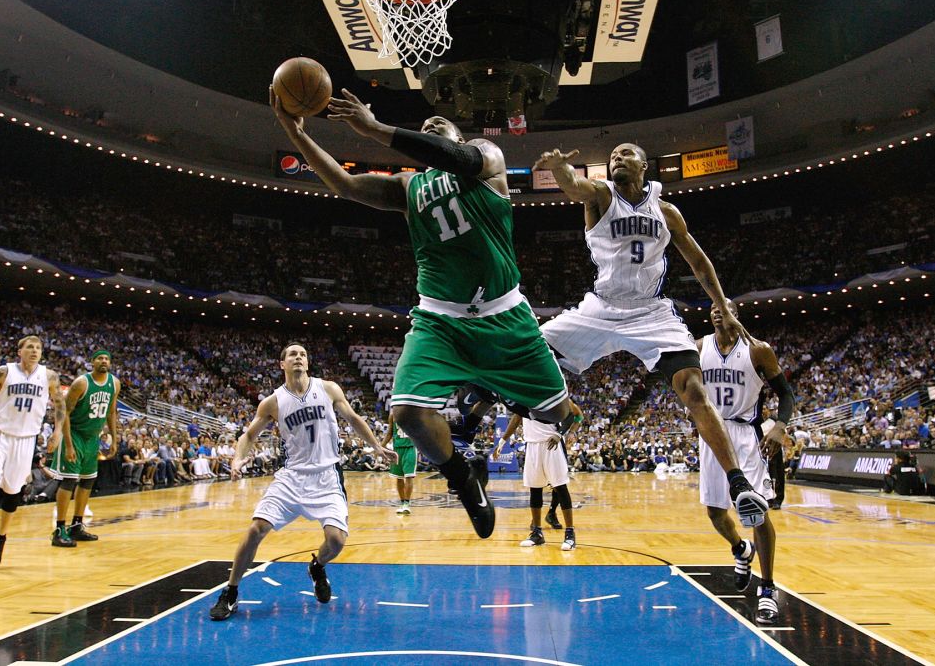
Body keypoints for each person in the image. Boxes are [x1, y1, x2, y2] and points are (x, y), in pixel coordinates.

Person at [271, 89, 576, 539]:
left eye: (440, 125)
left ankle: (506, 393)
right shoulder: (409, 186)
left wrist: (374, 128)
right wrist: (295, 133)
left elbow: (449, 153)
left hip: (504, 314)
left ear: (457, 137)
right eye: (425, 125)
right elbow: (345, 184)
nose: (432, 125)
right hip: (439, 318)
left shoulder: (486, 157)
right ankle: (462, 478)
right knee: (408, 412)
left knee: (561, 414)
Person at [533, 144, 769, 528]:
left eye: (626, 154)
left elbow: (698, 260)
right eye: (611, 156)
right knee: (531, 344)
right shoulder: (602, 196)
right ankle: (510, 416)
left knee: (694, 389)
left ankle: (739, 484)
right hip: (602, 307)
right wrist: (561, 170)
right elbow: (576, 187)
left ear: (645, 165)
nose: (616, 159)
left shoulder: (665, 211)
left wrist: (723, 304)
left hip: (651, 311)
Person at [209, 343, 396, 620]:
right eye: (293, 354)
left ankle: (317, 566)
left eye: (303, 354)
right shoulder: (272, 401)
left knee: (336, 541)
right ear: (282, 364)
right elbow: (248, 436)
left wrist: (377, 446)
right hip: (292, 477)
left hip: (327, 475)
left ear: (308, 363)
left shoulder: (328, 388)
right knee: (255, 530)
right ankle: (231, 592)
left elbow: (354, 419)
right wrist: (237, 459)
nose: (299, 357)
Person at [696, 300, 794, 625]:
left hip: (744, 434)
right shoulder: (699, 347)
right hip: (711, 434)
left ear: (736, 316)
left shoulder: (758, 350)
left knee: (757, 512)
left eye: (723, 306)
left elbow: (787, 394)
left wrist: (780, 426)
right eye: (711, 306)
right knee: (715, 513)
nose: (715, 309)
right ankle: (740, 549)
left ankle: (767, 588)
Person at [0, 335, 66, 570]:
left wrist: (57, 432)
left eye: (38, 347)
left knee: (12, 493)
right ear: (19, 351)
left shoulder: (49, 376)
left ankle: (0, 538)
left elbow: (60, 404)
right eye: (30, 346)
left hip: (26, 439)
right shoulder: (4, 372)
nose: (35, 350)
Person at [49, 349, 120, 548]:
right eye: (100, 358)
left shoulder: (114, 383)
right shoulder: (81, 383)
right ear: (92, 362)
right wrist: (69, 444)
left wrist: (114, 439)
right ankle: (59, 529)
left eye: (107, 358)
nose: (104, 361)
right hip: (75, 435)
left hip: (93, 438)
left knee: (88, 482)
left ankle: (77, 525)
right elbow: (65, 413)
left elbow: (112, 412)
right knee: (69, 481)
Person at [494, 399, 584, 550]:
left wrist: (561, 433)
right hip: (532, 445)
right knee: (534, 489)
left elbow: (574, 415)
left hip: (552, 444)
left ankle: (570, 534)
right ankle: (537, 532)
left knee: (560, 488)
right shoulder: (523, 394)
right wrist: (502, 442)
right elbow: (517, 418)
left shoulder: (553, 392)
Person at [381, 415, 417, 515]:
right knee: (399, 477)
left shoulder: (412, 412)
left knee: (409, 476)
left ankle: (407, 504)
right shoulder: (392, 415)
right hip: (397, 449)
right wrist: (380, 447)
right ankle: (402, 503)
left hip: (410, 447)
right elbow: (389, 433)